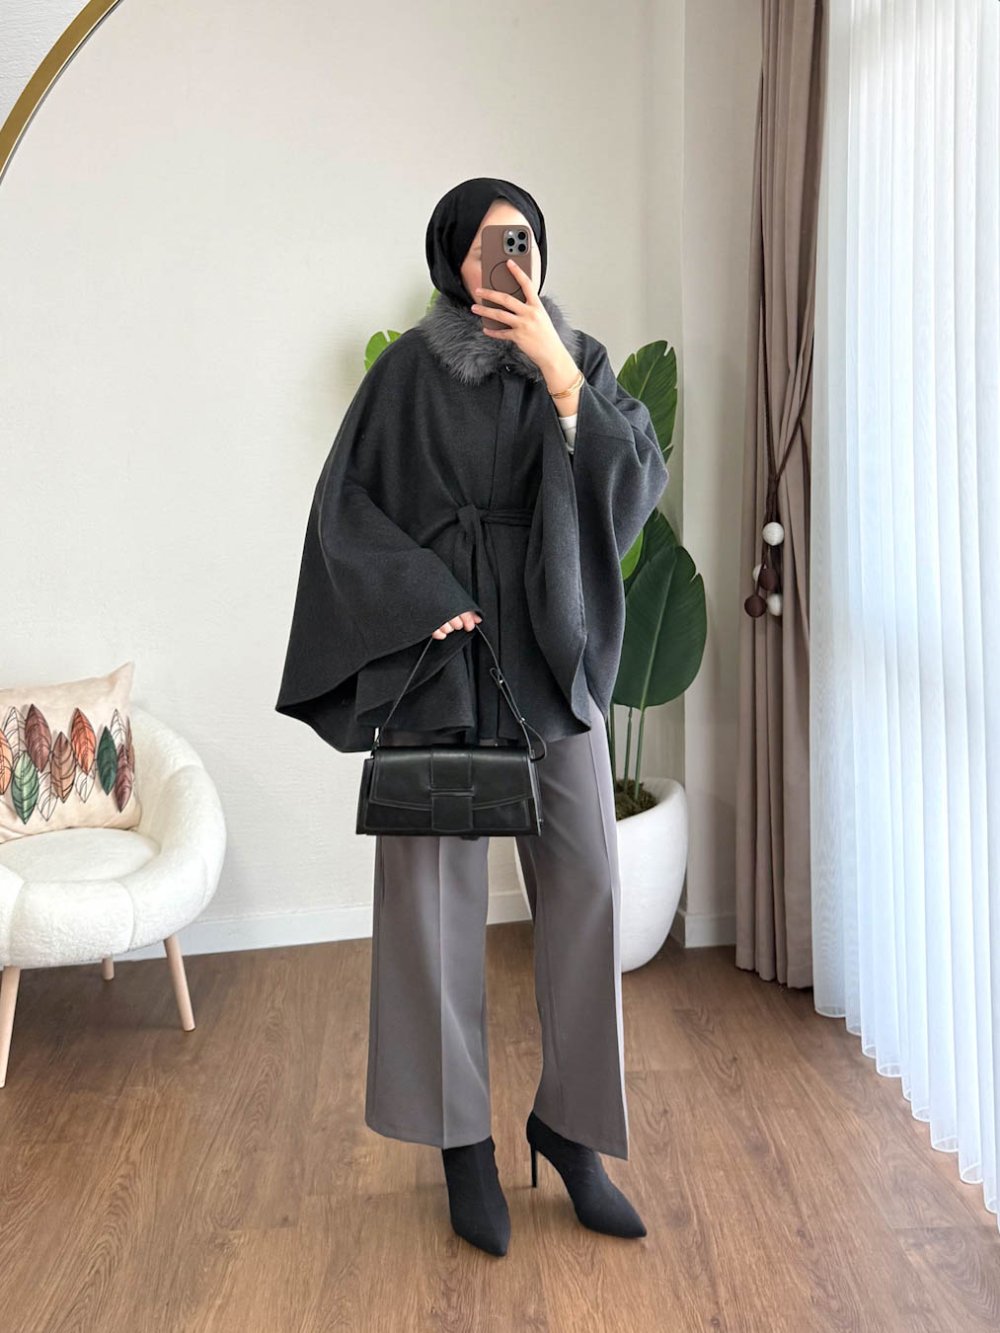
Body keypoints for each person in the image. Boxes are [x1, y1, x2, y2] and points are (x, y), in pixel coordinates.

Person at [275, 176, 670, 1257]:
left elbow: (634, 482)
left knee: (587, 884)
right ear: (452, 256)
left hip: (550, 655)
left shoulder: (577, 359)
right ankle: (460, 1142)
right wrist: (420, 593)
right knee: (433, 906)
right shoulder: (407, 370)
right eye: (491, 242)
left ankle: (572, 1130)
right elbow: (342, 508)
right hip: (443, 664)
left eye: (525, 240)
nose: (511, 259)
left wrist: (556, 369)